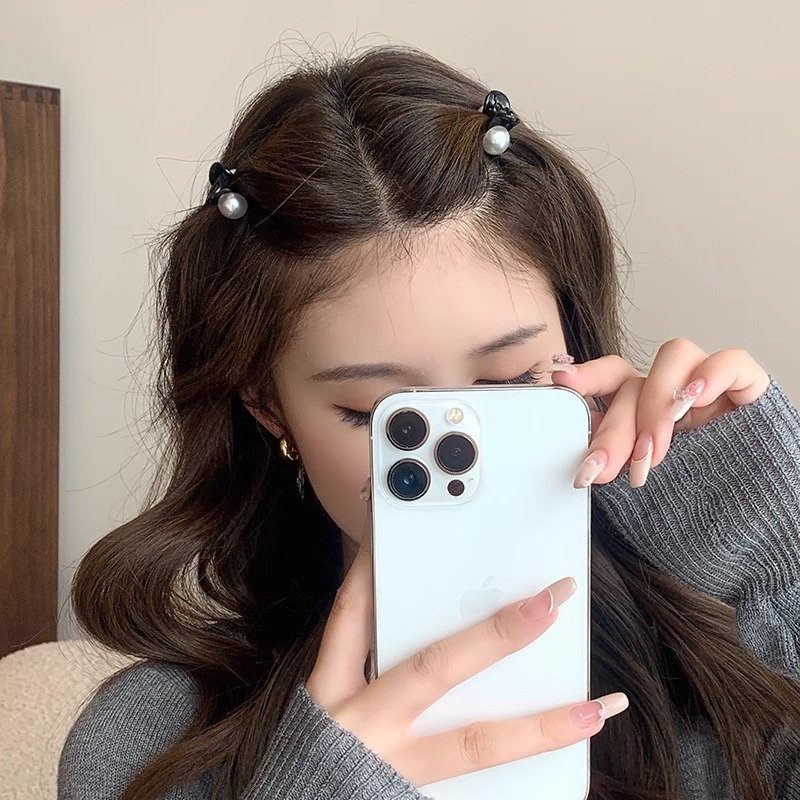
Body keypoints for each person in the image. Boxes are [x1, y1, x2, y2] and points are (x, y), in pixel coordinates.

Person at [57, 45, 800, 800]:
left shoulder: (730, 671)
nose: (465, 445)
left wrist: (775, 549)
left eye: (512, 382)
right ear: (268, 407)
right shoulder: (146, 742)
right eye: (387, 417)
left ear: (574, 350)